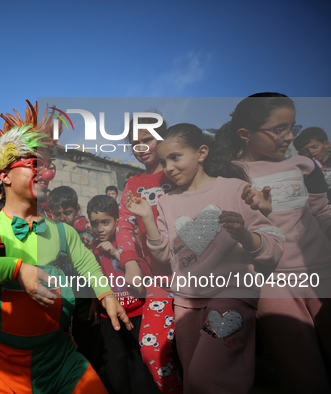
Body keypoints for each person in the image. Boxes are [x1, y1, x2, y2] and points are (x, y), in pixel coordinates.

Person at [0, 100, 132, 393]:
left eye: (49, 165)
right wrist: (18, 269)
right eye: (35, 164)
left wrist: (105, 294)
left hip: (62, 360)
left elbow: (87, 264)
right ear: (4, 175)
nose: (46, 173)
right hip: (3, 366)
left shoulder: (63, 231)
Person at [128, 123, 285, 393]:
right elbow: (165, 254)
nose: (168, 167)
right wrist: (147, 219)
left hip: (230, 298)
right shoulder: (166, 202)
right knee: (193, 381)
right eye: (164, 161)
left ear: (202, 153)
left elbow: (274, 244)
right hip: (187, 304)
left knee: (204, 375)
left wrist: (245, 236)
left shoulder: (235, 189)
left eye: (175, 157)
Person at [215, 93, 331, 393]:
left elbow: (323, 212)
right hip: (271, 284)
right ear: (245, 134)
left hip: (324, 273)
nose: (289, 136)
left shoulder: (304, 164)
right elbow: (230, 231)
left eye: (293, 127)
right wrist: (254, 212)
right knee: (301, 372)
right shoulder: (228, 174)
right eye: (279, 129)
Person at [116, 116, 182, 393]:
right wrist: (130, 262)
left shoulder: (180, 173)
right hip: (158, 280)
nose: (141, 147)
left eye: (147, 140)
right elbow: (125, 224)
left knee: (200, 348)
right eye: (134, 143)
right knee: (152, 351)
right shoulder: (134, 183)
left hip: (197, 275)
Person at [87, 194, 157, 394]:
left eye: (105, 222)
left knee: (140, 368)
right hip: (109, 317)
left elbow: (144, 276)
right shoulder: (94, 248)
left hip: (137, 315)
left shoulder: (128, 242)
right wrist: (94, 302)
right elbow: (96, 278)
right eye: (95, 223)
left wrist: (117, 254)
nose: (100, 229)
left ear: (117, 222)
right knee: (115, 369)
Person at [48, 186, 102, 373]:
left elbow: (93, 272)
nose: (63, 218)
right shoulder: (48, 239)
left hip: (83, 303)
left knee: (86, 347)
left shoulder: (86, 239)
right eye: (57, 214)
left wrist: (95, 301)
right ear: (50, 214)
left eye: (68, 213)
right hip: (59, 304)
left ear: (77, 211)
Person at [294, 127, 331, 211]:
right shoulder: (305, 171)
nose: (311, 152)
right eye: (305, 151)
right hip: (324, 212)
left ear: (326, 144)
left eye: (314, 147)